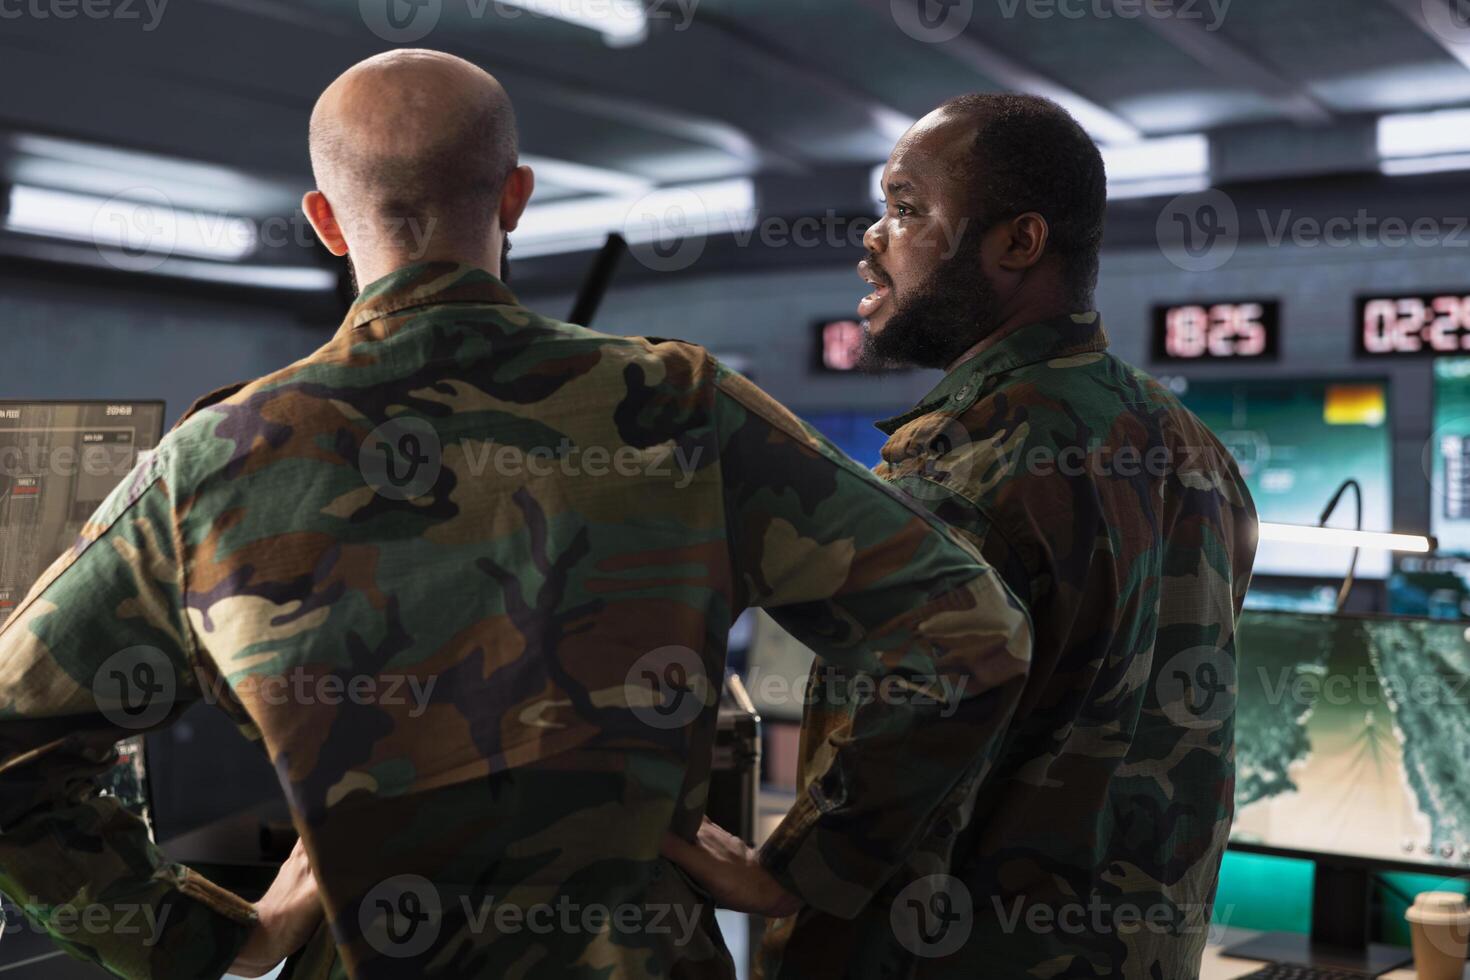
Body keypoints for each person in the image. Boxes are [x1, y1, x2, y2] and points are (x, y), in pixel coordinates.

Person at [0, 52, 1035, 980]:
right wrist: (814, 859)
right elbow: (970, 633)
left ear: (324, 219)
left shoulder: (214, 462)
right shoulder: (682, 407)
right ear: (516, 197)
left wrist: (211, 935)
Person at [669, 95, 1257, 979]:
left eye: (907, 210)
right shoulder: (1195, 451)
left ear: (1018, 243)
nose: (873, 237)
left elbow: (918, 711)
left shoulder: (962, 466)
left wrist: (789, 872)